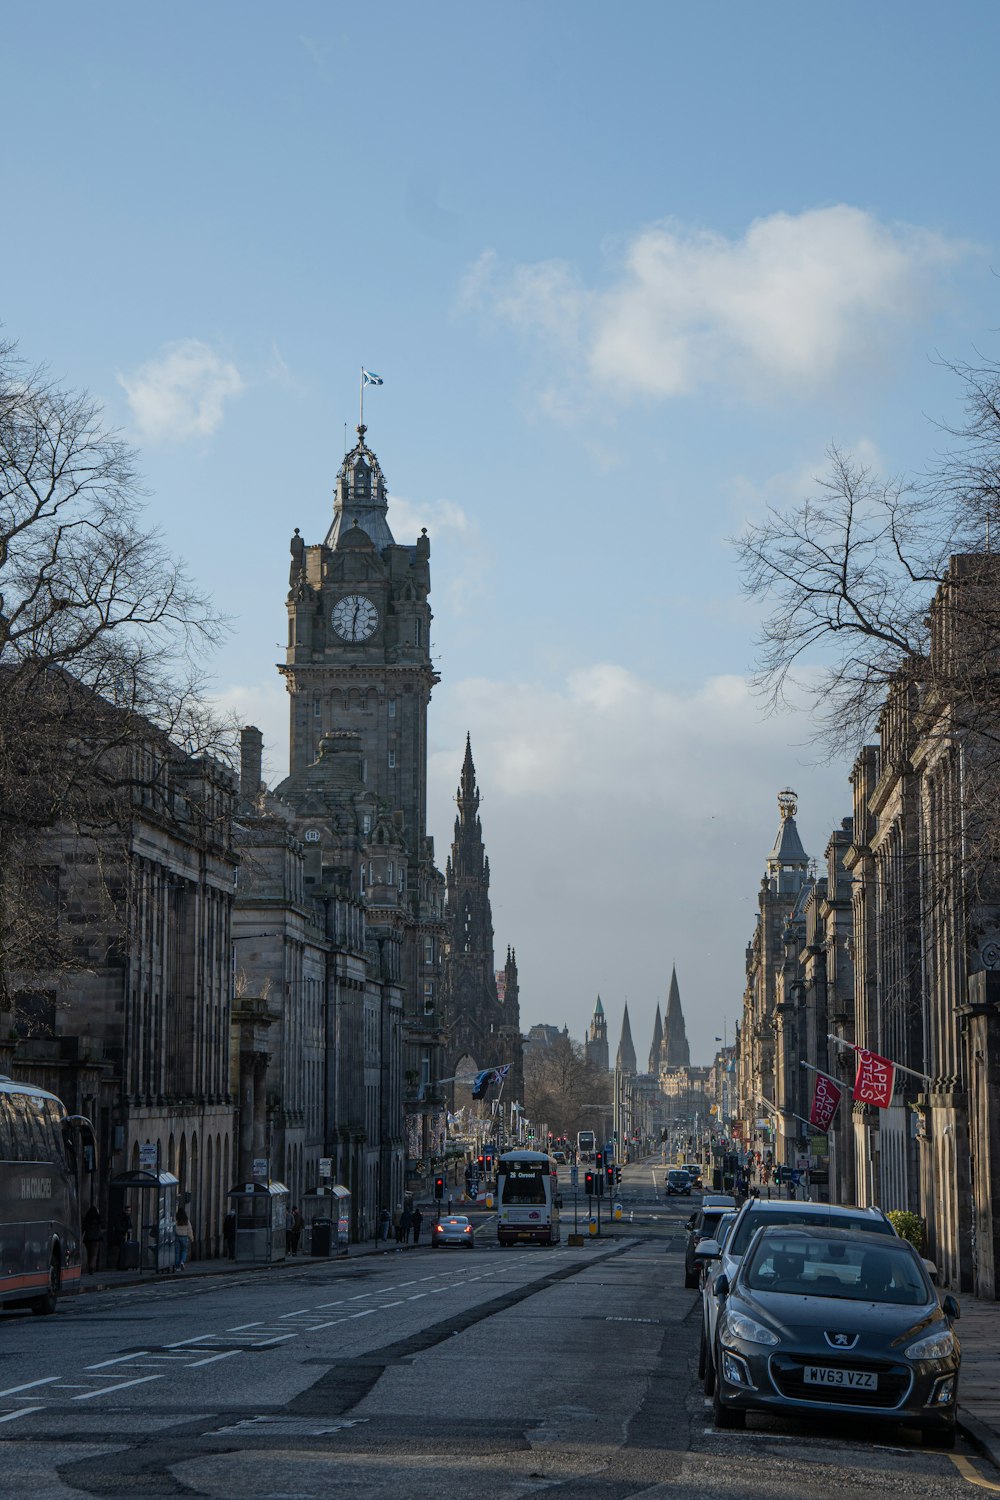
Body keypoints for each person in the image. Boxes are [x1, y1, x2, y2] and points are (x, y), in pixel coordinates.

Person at [82, 1205, 102, 1274]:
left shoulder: (87, 1219)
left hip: (87, 1238)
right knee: (94, 1254)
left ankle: (88, 1266)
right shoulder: (98, 1219)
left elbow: (83, 1228)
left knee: (89, 1253)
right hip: (96, 1239)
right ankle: (91, 1267)